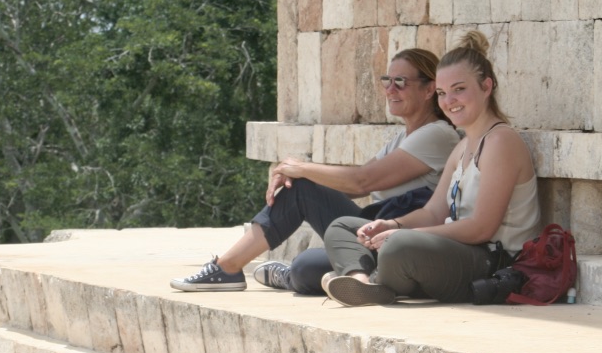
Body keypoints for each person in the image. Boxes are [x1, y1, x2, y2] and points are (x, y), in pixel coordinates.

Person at [170, 48, 460, 293]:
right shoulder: (404, 136)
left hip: (399, 239)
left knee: (303, 196)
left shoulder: (437, 134)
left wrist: (300, 169)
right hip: (374, 235)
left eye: (400, 82)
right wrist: (300, 172)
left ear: (428, 88)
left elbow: (362, 182)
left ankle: (227, 268)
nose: (390, 90)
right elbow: (355, 182)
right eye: (387, 80)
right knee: (304, 267)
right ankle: (307, 276)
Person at [321, 31, 541, 306]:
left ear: (486, 87)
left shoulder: (501, 141)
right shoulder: (462, 147)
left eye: (459, 89)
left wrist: (403, 234)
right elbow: (434, 212)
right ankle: (362, 283)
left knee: (399, 247)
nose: (449, 101)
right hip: (454, 249)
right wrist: (391, 224)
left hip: (492, 262)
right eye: (441, 93)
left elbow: (481, 229)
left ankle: (377, 278)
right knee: (343, 227)